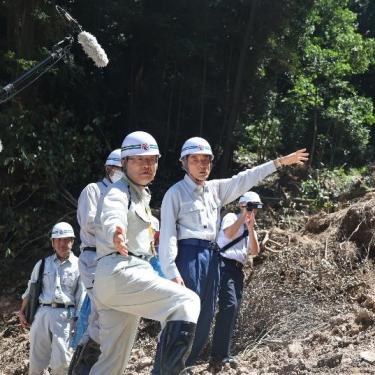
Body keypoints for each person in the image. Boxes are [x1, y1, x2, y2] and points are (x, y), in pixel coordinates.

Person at [159, 136, 308, 365]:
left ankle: (185, 365)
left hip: (212, 255)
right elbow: (168, 234)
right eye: (195, 160)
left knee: (205, 316)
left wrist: (279, 162)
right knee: (182, 316)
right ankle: (164, 367)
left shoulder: (215, 190)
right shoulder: (175, 193)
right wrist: (171, 270)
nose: (201, 165)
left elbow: (245, 178)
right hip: (188, 255)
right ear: (184, 163)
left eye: (206, 160)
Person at [90, 131, 200, 375]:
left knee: (112, 364)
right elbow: (112, 214)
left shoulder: (141, 196)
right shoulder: (118, 191)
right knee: (187, 301)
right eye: (139, 160)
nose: (147, 165)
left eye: (152, 160)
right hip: (122, 271)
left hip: (118, 279)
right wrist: (115, 232)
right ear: (125, 162)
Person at [69, 148, 123, 374]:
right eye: (118, 168)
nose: (120, 173)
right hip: (94, 256)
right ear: (109, 168)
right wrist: (114, 227)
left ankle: (87, 367)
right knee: (103, 313)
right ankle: (82, 367)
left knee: (101, 317)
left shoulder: (125, 195)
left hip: (114, 258)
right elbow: (89, 222)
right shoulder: (94, 190)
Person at [18, 222, 85, 375]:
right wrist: (22, 312)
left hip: (66, 317)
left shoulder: (80, 265)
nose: (62, 243)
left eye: (66, 239)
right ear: (53, 242)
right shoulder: (42, 264)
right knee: (36, 362)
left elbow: (81, 296)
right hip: (42, 314)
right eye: (58, 240)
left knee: (62, 364)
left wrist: (78, 321)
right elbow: (31, 290)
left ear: (72, 241)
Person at [210, 191, 262, 369]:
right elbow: (229, 233)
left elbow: (255, 251)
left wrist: (251, 227)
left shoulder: (249, 226)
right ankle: (218, 356)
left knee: (233, 310)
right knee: (229, 306)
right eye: (250, 206)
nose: (253, 211)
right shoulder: (231, 217)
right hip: (224, 265)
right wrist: (243, 217)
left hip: (238, 270)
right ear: (242, 205)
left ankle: (223, 354)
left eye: (255, 208)